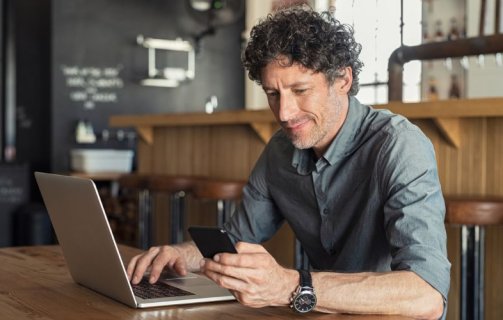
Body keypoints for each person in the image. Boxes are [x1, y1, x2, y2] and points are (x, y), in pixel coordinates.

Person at [127, 5, 450, 319]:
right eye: (273, 93)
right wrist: (181, 254)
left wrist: (291, 286)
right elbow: (238, 239)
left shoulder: (399, 145)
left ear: (343, 80)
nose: (284, 113)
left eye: (300, 90)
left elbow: (427, 295)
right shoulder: (281, 149)